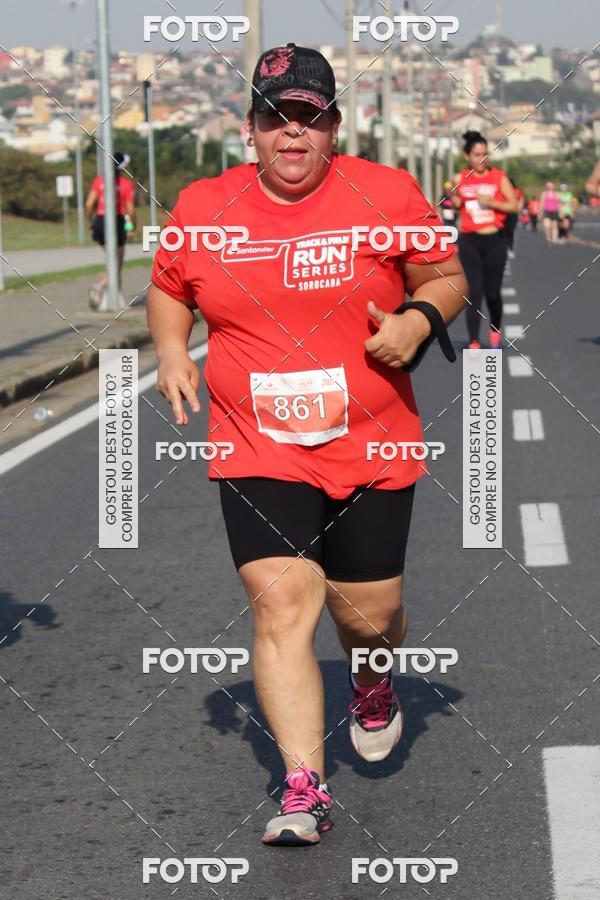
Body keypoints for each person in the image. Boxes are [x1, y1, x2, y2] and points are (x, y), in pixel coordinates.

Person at [147, 42, 467, 848]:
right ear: (249, 128)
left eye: (309, 118)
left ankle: (372, 678)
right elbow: (168, 286)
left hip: (371, 440)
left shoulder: (386, 192)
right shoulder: (203, 206)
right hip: (258, 442)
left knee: (370, 615)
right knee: (283, 603)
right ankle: (303, 786)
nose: (292, 134)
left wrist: (417, 320)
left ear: (333, 125)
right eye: (273, 117)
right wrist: (175, 351)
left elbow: (447, 276)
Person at [452, 130, 519, 350]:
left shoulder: (499, 177)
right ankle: (473, 340)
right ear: (468, 157)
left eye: (484, 154)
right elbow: (452, 202)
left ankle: (495, 331)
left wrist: (492, 203)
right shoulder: (459, 179)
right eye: (477, 155)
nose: (481, 159)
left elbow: (514, 206)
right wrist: (453, 201)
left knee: (492, 293)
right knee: (474, 292)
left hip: (494, 241)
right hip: (470, 241)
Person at [85, 151, 136, 300]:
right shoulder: (126, 185)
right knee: (117, 263)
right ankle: (101, 287)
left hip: (100, 221)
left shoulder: (99, 181)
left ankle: (111, 293)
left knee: (110, 259)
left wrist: (91, 223)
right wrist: (133, 226)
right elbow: (131, 210)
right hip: (117, 221)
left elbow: (89, 205)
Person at [503, 177, 524, 258]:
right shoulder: (501, 189)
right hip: (503, 213)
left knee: (510, 232)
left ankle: (510, 249)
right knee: (502, 232)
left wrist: (519, 208)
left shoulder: (516, 191)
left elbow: (521, 200)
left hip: (512, 214)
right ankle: (503, 248)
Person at [540, 181, 560, 245]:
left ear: (553, 186)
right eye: (548, 186)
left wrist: (560, 212)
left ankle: (554, 239)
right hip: (546, 211)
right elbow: (542, 203)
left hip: (554, 211)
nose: (549, 187)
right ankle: (548, 238)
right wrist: (540, 213)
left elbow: (559, 203)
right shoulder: (544, 194)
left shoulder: (556, 193)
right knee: (547, 226)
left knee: (554, 226)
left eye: (551, 186)